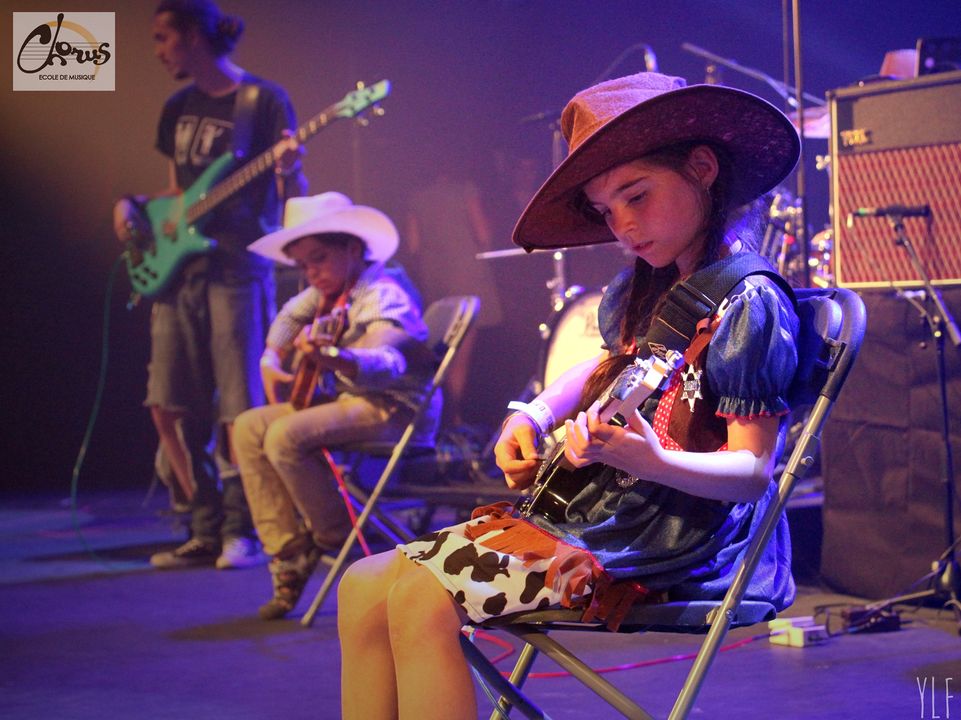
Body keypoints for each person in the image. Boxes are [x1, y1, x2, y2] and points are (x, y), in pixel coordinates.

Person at [337, 71, 803, 719]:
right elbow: (601, 368)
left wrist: (651, 460)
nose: (623, 228)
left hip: (679, 542)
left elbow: (752, 474)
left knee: (420, 595)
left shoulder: (749, 302)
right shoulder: (643, 286)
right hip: (609, 514)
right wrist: (532, 411)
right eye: (608, 211)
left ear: (702, 168)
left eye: (636, 196)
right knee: (360, 584)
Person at [112, 0, 306, 569]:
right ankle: (199, 524)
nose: (157, 50)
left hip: (236, 269)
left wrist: (290, 165)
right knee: (167, 402)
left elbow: (292, 192)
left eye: (162, 37)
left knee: (236, 404)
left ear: (194, 35)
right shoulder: (177, 107)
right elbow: (177, 193)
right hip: (180, 271)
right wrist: (134, 207)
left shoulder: (263, 101)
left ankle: (239, 528)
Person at [233, 192, 441, 620]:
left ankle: (332, 538)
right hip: (354, 403)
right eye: (303, 265)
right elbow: (290, 316)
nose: (311, 273)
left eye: (319, 259)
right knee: (249, 426)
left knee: (284, 434)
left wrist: (338, 359)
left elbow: (388, 362)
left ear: (352, 249)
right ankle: (289, 551)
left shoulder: (383, 292)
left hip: (395, 410)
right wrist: (271, 357)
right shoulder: (330, 289)